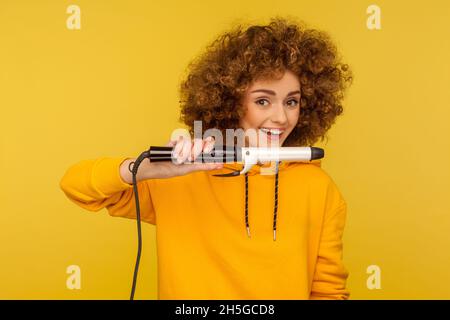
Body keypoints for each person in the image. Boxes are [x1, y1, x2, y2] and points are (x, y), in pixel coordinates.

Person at [59, 16, 353, 299]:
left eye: (292, 102)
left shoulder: (320, 189)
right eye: (263, 101)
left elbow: (328, 292)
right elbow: (76, 186)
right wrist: (149, 169)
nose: (281, 117)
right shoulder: (180, 177)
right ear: (230, 100)